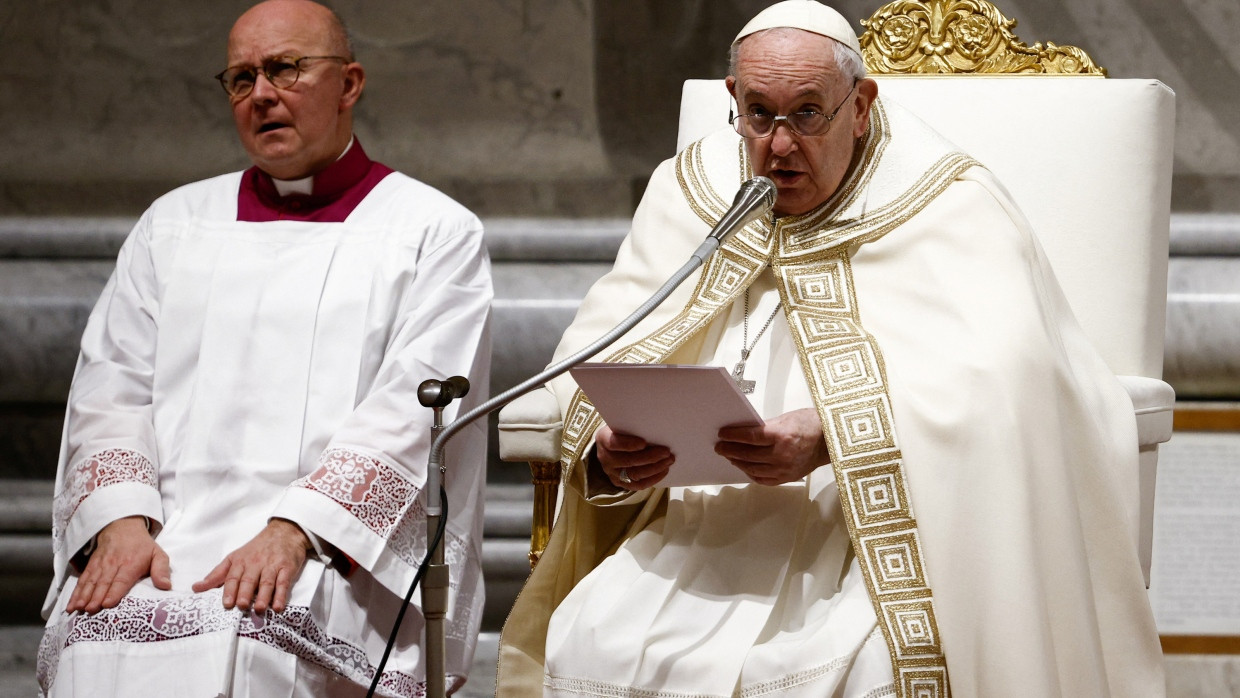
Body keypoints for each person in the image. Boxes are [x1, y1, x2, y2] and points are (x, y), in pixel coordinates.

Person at [497, 1, 1163, 696]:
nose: (779, 146)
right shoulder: (691, 192)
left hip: (872, 537)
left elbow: (1012, 380)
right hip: (699, 532)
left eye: (807, 115)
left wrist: (833, 435)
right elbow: (598, 352)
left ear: (862, 106)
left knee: (863, 670)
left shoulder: (945, 202)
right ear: (733, 101)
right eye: (759, 114)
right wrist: (611, 452)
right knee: (597, 637)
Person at [37, 1, 492, 695]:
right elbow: (112, 388)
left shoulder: (433, 231)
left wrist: (295, 530)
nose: (263, 95)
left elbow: (414, 407)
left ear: (349, 84)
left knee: (257, 639)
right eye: (242, 78)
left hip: (325, 544)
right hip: (163, 536)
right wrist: (122, 522)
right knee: (94, 630)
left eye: (286, 69)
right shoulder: (175, 225)